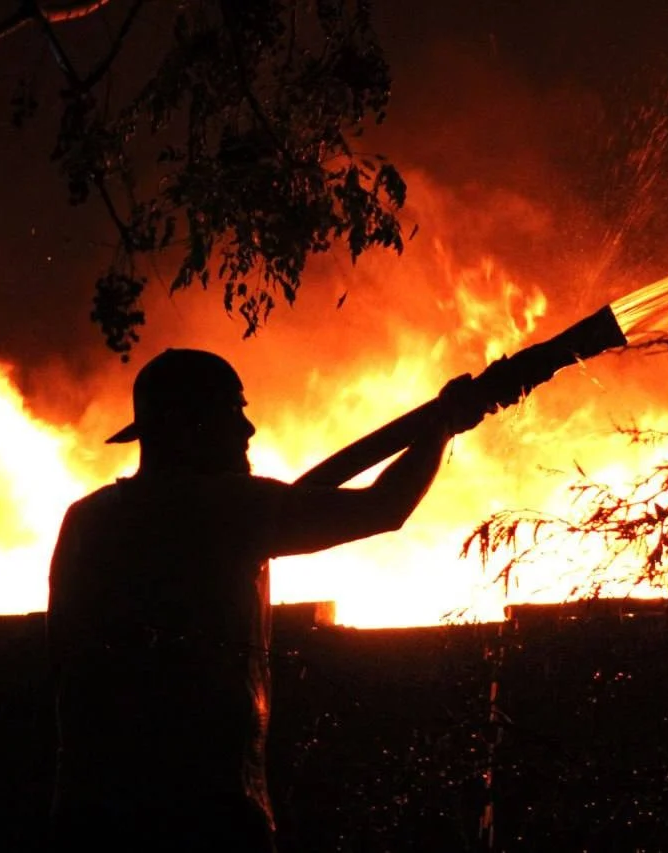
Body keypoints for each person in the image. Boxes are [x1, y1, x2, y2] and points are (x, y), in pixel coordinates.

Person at [47, 348, 489, 851]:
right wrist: (443, 425)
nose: (248, 429)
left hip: (90, 813)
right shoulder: (230, 508)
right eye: (232, 412)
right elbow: (383, 507)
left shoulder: (86, 520)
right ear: (186, 425)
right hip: (209, 811)